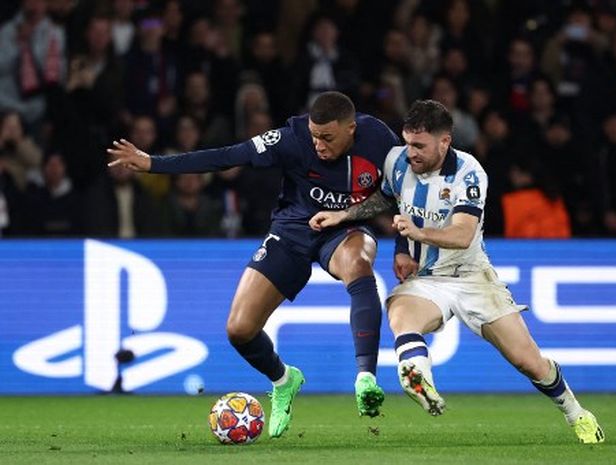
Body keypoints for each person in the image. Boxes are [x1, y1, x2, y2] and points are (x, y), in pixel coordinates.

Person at [309, 100, 605, 444]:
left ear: (444, 142)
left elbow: (463, 234)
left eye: (419, 146)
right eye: (407, 143)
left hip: (471, 277)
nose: (411, 152)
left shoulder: (469, 172)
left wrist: (416, 234)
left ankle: (575, 412)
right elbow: (389, 200)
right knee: (400, 312)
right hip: (427, 279)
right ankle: (416, 375)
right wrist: (345, 217)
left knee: (529, 362)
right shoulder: (396, 161)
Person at [107, 91, 400, 437]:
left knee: (358, 263)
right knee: (239, 329)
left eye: (328, 137)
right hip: (292, 231)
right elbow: (228, 156)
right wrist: (154, 163)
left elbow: (397, 195)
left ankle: (365, 377)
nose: (318, 144)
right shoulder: (292, 139)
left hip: (345, 229)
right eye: (314, 135)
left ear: (351, 128)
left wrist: (378, 232)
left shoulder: (380, 140)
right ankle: (284, 380)